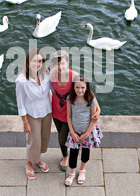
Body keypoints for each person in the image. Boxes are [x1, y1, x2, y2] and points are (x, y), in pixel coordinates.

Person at [50, 50, 100, 171]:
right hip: (56, 110)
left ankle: (68, 157)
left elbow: (89, 93)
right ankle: (64, 155)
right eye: (56, 64)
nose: (59, 67)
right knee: (60, 134)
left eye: (62, 63)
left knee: (64, 137)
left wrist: (98, 109)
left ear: (68, 63)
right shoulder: (52, 74)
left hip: (70, 114)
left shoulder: (74, 76)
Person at [15, 48, 52, 180]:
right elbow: (20, 103)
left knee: (44, 138)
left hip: (47, 111)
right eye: (34, 61)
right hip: (32, 114)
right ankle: (29, 163)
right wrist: (25, 122)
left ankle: (38, 159)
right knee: (33, 141)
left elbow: (55, 88)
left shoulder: (45, 74)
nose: (38, 64)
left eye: (40, 61)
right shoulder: (21, 81)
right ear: (28, 62)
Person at [64, 75, 103, 186]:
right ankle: (71, 172)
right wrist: (72, 132)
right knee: (73, 153)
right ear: (73, 87)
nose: (80, 90)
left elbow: (93, 118)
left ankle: (82, 170)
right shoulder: (70, 99)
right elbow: (69, 116)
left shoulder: (90, 99)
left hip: (87, 132)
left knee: (86, 153)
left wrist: (86, 134)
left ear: (86, 87)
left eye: (82, 87)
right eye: (77, 87)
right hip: (75, 131)